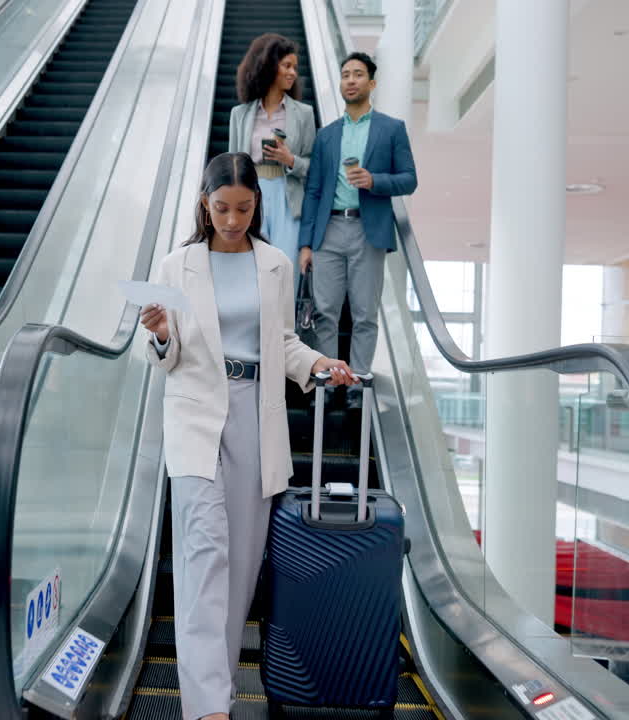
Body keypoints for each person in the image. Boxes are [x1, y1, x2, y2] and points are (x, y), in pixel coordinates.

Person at [139, 152, 358, 720]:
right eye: (221, 208)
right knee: (204, 554)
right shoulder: (175, 265)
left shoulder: (276, 265)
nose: (232, 220)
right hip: (195, 415)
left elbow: (282, 342)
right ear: (204, 206)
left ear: (256, 205)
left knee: (239, 567)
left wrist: (317, 365)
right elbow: (167, 356)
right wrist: (162, 335)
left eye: (242, 208)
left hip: (254, 414)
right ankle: (208, 707)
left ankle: (220, 690)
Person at [298, 51, 417, 407]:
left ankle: (356, 385)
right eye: (346, 74)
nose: (350, 80)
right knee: (325, 311)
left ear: (372, 83)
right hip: (328, 229)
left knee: (365, 312)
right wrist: (305, 243)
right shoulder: (326, 135)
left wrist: (374, 180)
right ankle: (327, 382)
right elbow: (314, 189)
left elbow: (409, 179)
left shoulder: (391, 129)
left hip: (368, 229)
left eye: (358, 74)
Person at [228, 34, 315, 291]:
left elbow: (313, 168)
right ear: (268, 65)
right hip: (251, 196)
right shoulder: (240, 114)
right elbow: (230, 167)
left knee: (284, 271)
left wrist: (291, 160)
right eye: (287, 66)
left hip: (288, 198)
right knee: (249, 271)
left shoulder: (303, 113)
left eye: (295, 68)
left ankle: (284, 331)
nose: (292, 73)